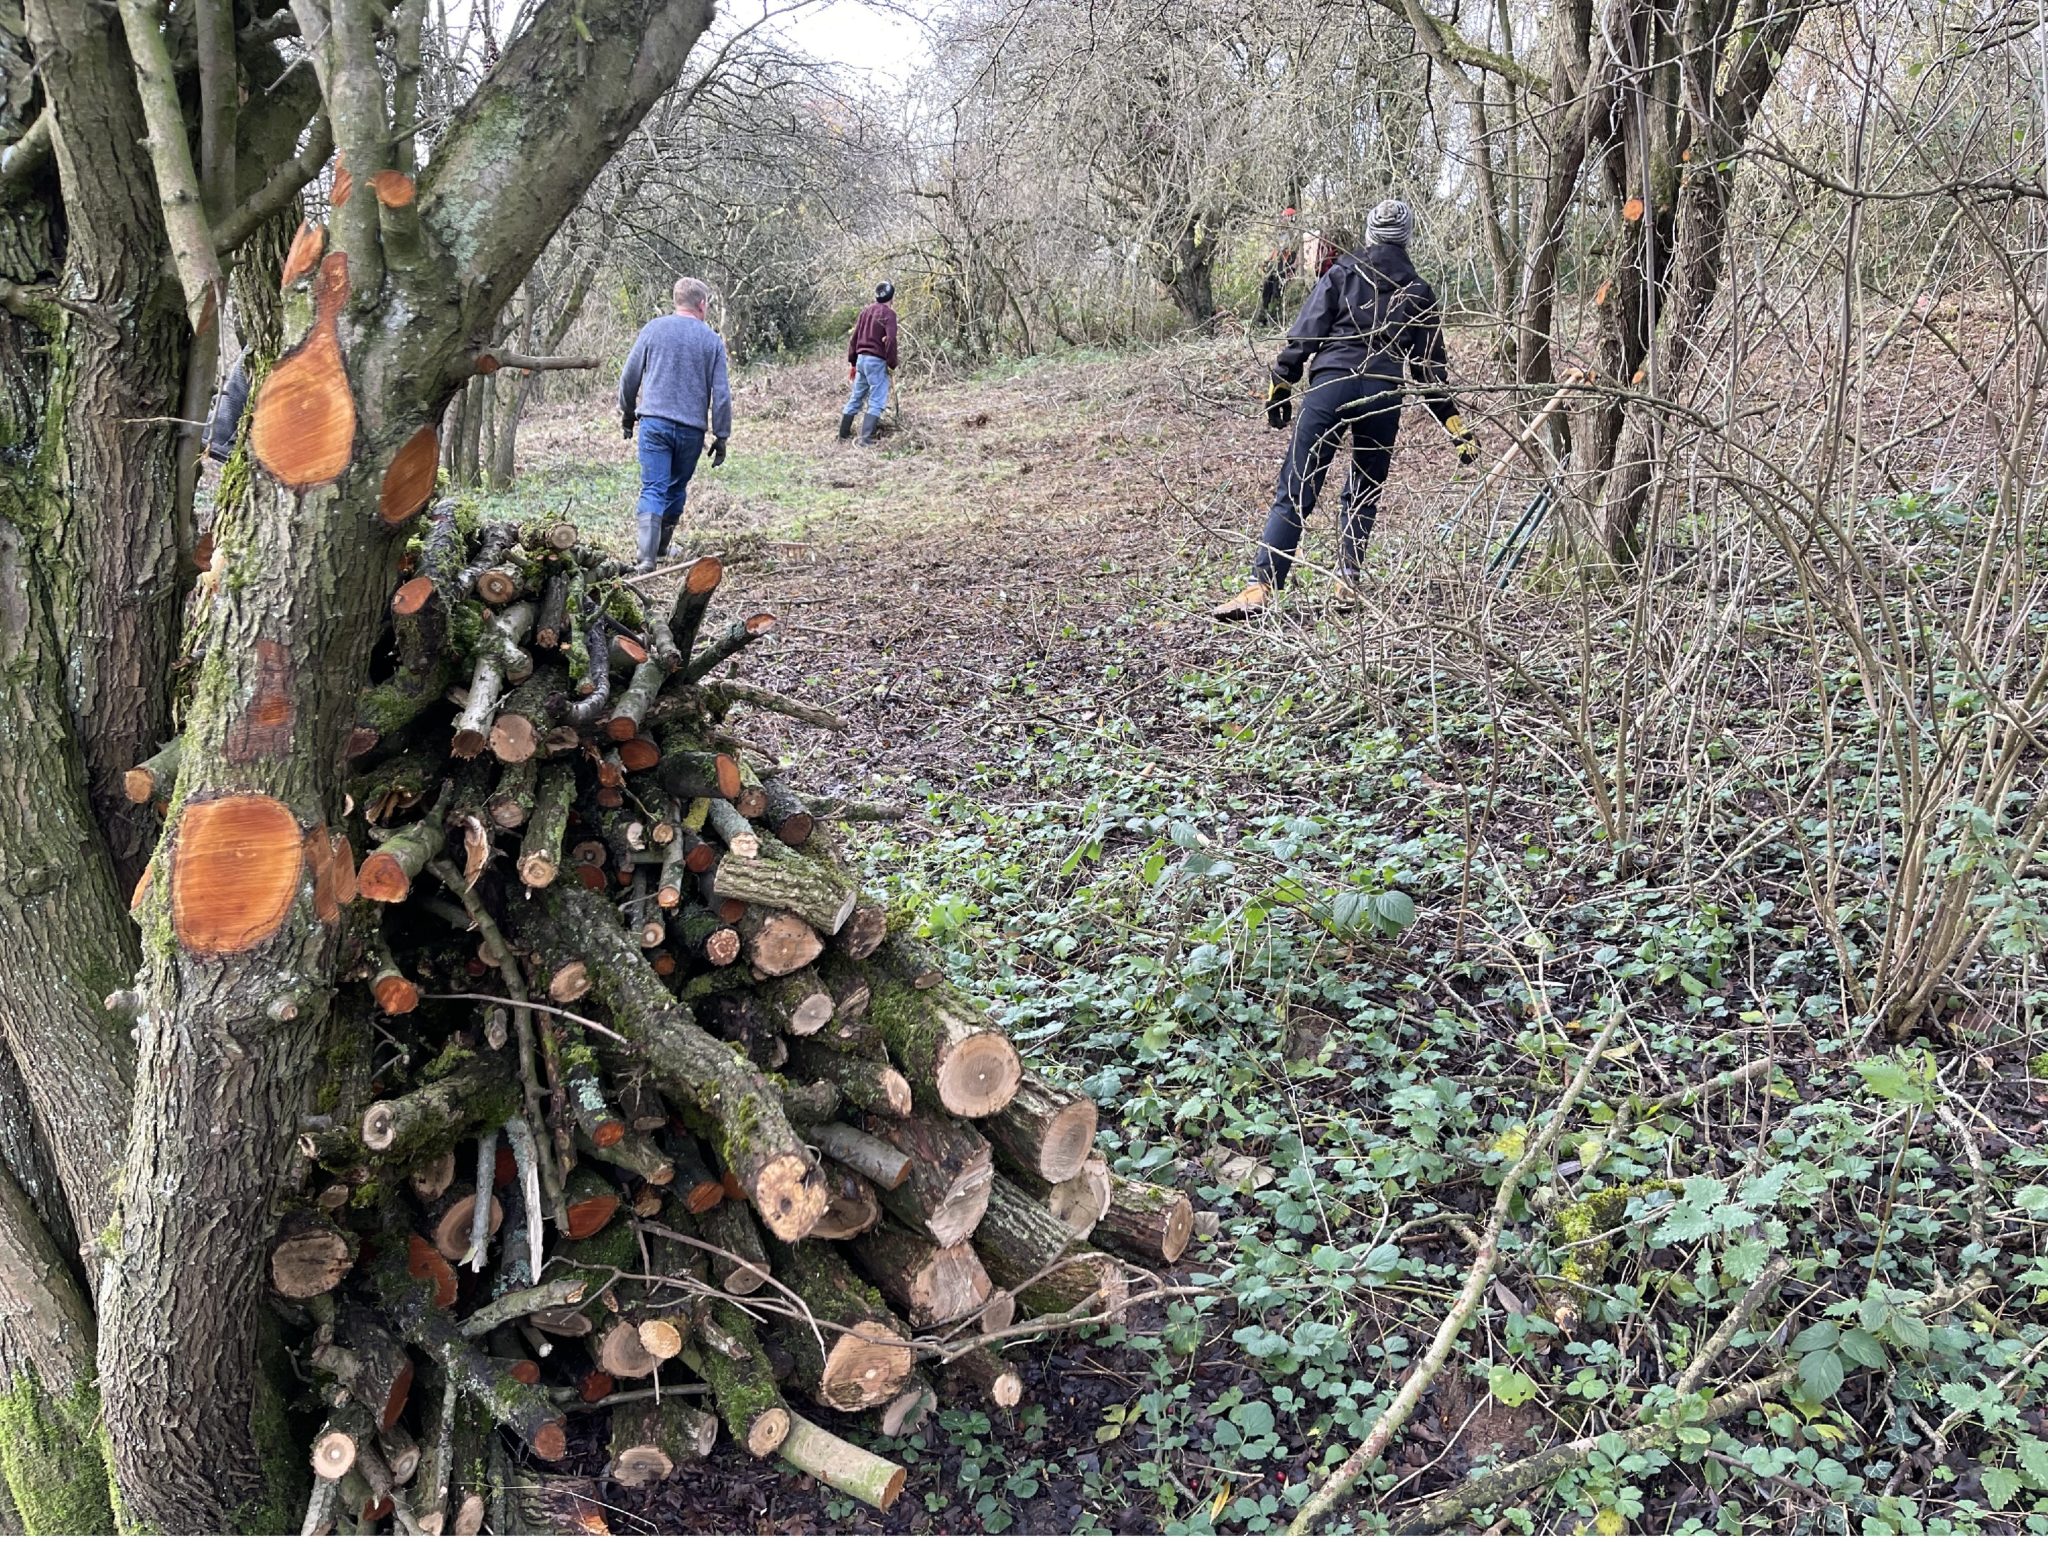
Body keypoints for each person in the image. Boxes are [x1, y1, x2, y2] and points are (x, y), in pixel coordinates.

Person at [1214, 198, 1478, 621]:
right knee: (1364, 490)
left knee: (1297, 487)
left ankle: (1260, 587)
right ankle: (1346, 579)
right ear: (1407, 239)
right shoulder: (1419, 292)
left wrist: (1280, 384)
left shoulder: (1341, 273)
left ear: (1369, 235)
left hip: (1330, 388)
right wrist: (1456, 427)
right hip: (1383, 394)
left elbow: (1304, 337)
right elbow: (1429, 373)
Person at [619, 275, 732, 573]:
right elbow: (721, 394)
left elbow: (629, 377)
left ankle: (646, 558)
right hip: (691, 430)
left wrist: (628, 414)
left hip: (654, 423)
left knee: (653, 486)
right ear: (702, 304)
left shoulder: (653, 329)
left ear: (676, 301)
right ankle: (662, 546)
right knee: (676, 486)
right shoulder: (712, 341)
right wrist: (721, 436)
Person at [840, 281, 898, 445]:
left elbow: (854, 338)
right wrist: (892, 363)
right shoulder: (889, 314)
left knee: (856, 398)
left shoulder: (865, 312)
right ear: (891, 297)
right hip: (876, 361)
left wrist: (853, 362)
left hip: (861, 360)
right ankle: (865, 439)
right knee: (877, 401)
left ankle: (842, 436)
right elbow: (891, 340)